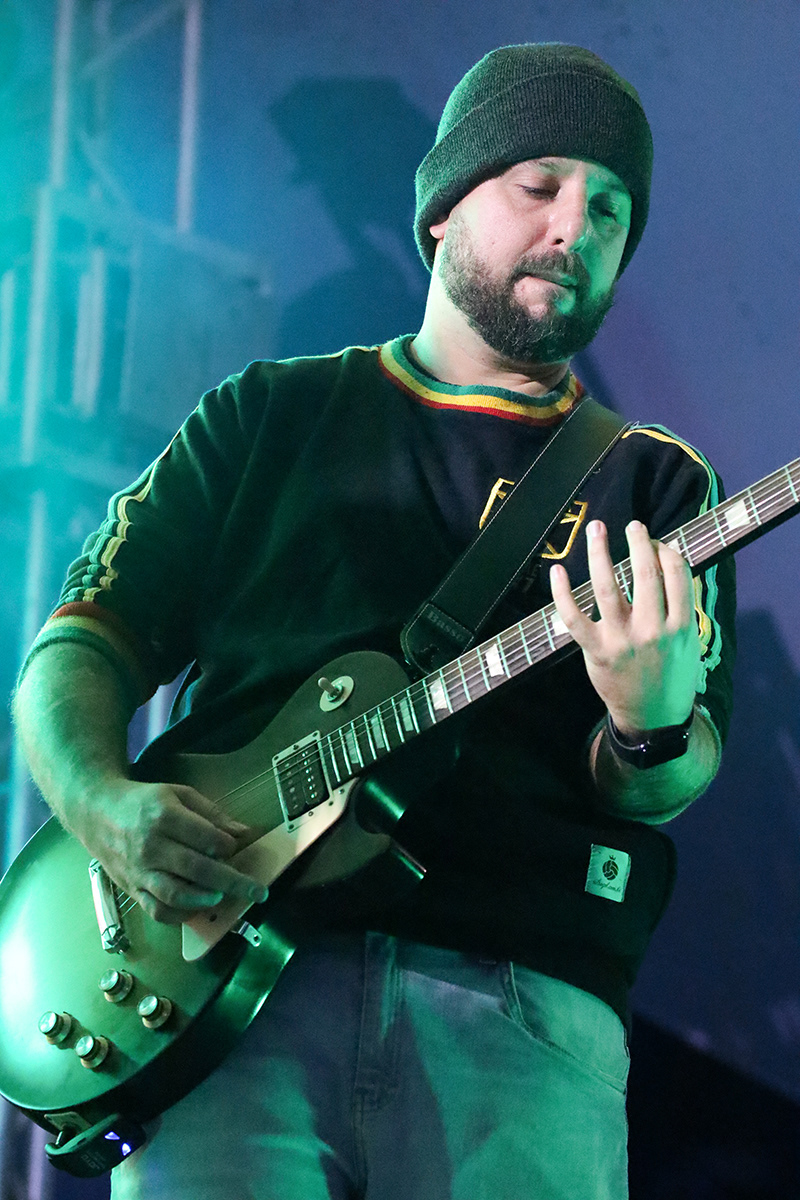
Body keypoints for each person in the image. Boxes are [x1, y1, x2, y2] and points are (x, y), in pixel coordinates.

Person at [12, 42, 734, 1200]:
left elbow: (669, 775)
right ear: (443, 208)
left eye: (609, 209)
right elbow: (79, 646)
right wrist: (100, 802)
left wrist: (648, 727)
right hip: (224, 997)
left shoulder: (654, 484)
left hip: (517, 1010)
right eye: (538, 185)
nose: (573, 227)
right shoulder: (265, 416)